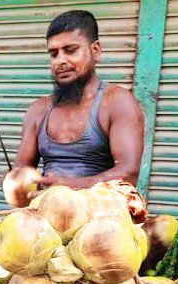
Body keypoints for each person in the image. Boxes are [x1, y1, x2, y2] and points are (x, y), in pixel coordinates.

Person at [11, 10, 145, 196]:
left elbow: (128, 174)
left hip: (101, 215)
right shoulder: (38, 110)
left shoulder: (116, 102)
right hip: (43, 213)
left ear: (95, 51)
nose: (60, 61)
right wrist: (12, 180)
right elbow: (22, 168)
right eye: (53, 54)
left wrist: (69, 186)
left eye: (70, 50)